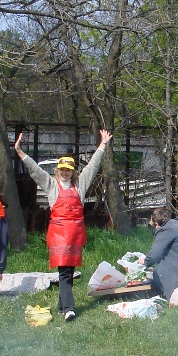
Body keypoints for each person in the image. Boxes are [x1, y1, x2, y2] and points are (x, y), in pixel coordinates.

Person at [14, 128, 112, 321]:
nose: (64, 173)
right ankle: (69, 309)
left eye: (68, 170)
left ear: (73, 172)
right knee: (65, 272)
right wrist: (19, 151)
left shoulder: (80, 185)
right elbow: (35, 170)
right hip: (59, 236)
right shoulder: (51, 185)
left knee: (69, 271)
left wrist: (102, 145)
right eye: (62, 170)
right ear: (57, 171)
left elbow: (92, 166)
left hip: (75, 235)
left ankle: (61, 307)